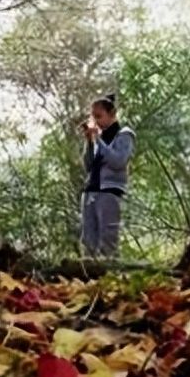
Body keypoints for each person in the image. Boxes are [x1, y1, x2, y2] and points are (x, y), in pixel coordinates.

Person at [81, 94, 135, 257]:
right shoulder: (99, 138)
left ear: (111, 114)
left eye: (99, 116)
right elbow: (88, 165)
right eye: (93, 117)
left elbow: (118, 161)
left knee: (108, 240)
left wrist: (98, 140)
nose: (96, 121)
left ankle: (112, 276)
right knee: (88, 240)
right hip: (91, 191)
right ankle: (88, 278)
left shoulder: (124, 135)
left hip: (109, 191)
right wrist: (90, 142)